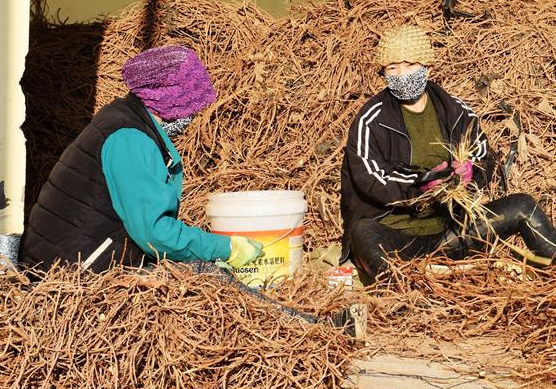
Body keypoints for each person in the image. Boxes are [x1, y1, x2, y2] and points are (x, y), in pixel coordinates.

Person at [22, 45, 365, 339]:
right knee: (211, 279)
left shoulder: (126, 121)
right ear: (171, 101)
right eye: (192, 107)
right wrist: (225, 247)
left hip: (81, 256)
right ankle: (311, 332)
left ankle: (304, 325)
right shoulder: (131, 140)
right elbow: (154, 233)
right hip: (74, 273)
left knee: (205, 272)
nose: (194, 116)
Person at [340, 25, 556, 285]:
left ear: (427, 68)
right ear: (383, 73)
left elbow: (484, 157)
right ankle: (410, 292)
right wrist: (422, 185)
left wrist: (470, 174)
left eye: (410, 65)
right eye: (392, 68)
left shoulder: (456, 111)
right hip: (397, 238)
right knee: (362, 233)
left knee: (522, 206)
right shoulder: (370, 120)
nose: (402, 74)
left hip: (453, 232)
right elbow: (370, 179)